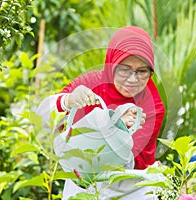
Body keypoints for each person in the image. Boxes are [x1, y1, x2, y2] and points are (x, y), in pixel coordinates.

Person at [37, 26, 165, 199]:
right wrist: (67, 101)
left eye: (142, 71)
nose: (133, 79)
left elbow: (126, 163)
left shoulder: (152, 104)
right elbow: (42, 116)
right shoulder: (91, 82)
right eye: (125, 69)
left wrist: (117, 127)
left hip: (132, 188)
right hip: (84, 182)